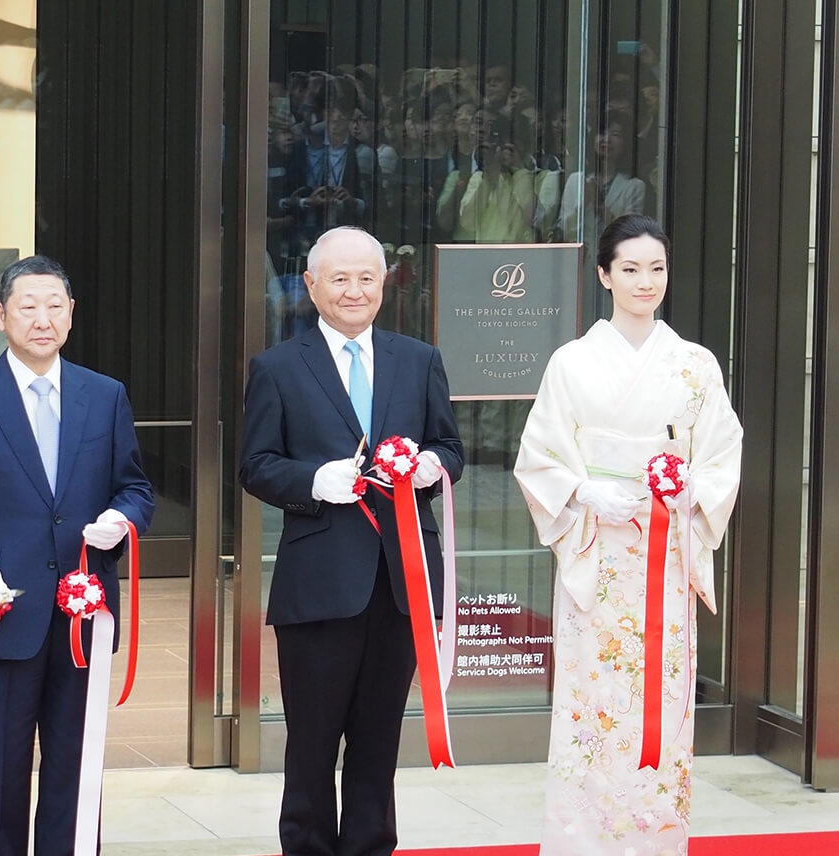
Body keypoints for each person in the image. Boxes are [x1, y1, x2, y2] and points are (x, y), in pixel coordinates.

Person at [513, 214, 742, 855]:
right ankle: (582, 841)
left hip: (666, 553)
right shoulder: (572, 362)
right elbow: (539, 457)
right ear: (604, 275)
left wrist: (690, 488)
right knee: (594, 701)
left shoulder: (694, 365)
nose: (646, 281)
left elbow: (722, 454)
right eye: (632, 269)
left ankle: (656, 841)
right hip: (600, 547)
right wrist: (586, 492)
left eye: (657, 268)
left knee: (660, 700)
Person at [238, 226, 464, 856]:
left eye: (368, 277)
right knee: (311, 745)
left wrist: (429, 467)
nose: (355, 290)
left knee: (378, 742)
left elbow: (451, 448)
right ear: (310, 286)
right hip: (319, 588)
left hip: (401, 583)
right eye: (339, 278)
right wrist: (315, 480)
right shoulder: (279, 367)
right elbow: (255, 464)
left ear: (385, 283)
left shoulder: (417, 360)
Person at [0, 255, 154, 856]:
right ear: (1, 315)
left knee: (77, 776)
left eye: (55, 305)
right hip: (1, 617)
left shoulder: (105, 396)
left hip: (82, 617)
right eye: (28, 306)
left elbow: (135, 487)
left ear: (72, 314)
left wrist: (120, 519)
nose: (42, 318)